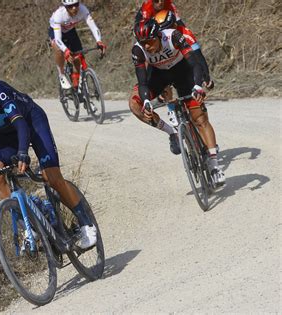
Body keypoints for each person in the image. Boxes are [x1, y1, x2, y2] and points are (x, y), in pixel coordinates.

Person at [0, 64, 97, 249]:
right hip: (8, 135)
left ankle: (86, 224)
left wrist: (23, 153)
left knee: (51, 177)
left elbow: (21, 124)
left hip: (31, 122)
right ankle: (31, 227)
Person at [128, 19, 225, 185]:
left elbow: (194, 63)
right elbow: (143, 82)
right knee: (134, 104)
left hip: (183, 72)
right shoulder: (138, 50)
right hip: (158, 75)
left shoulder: (173, 36)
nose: (147, 47)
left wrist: (197, 85)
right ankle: (172, 133)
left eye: (150, 42)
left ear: (159, 36)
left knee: (199, 119)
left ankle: (214, 164)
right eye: (143, 43)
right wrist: (146, 101)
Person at [135, 0, 212, 126]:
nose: (159, 3)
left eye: (162, 0)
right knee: (155, 62)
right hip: (148, 35)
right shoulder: (146, 8)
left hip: (167, 37)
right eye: (156, 1)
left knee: (182, 56)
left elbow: (195, 50)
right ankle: (169, 106)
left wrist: (205, 75)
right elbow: (143, 34)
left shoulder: (170, 6)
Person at [49, 0, 106, 90]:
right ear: (65, 7)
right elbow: (58, 39)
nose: (74, 8)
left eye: (76, 5)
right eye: (70, 6)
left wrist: (99, 41)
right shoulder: (59, 15)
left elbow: (93, 27)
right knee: (58, 49)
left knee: (78, 53)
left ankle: (76, 77)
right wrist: (66, 50)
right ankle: (61, 75)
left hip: (70, 30)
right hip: (56, 31)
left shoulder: (83, 10)